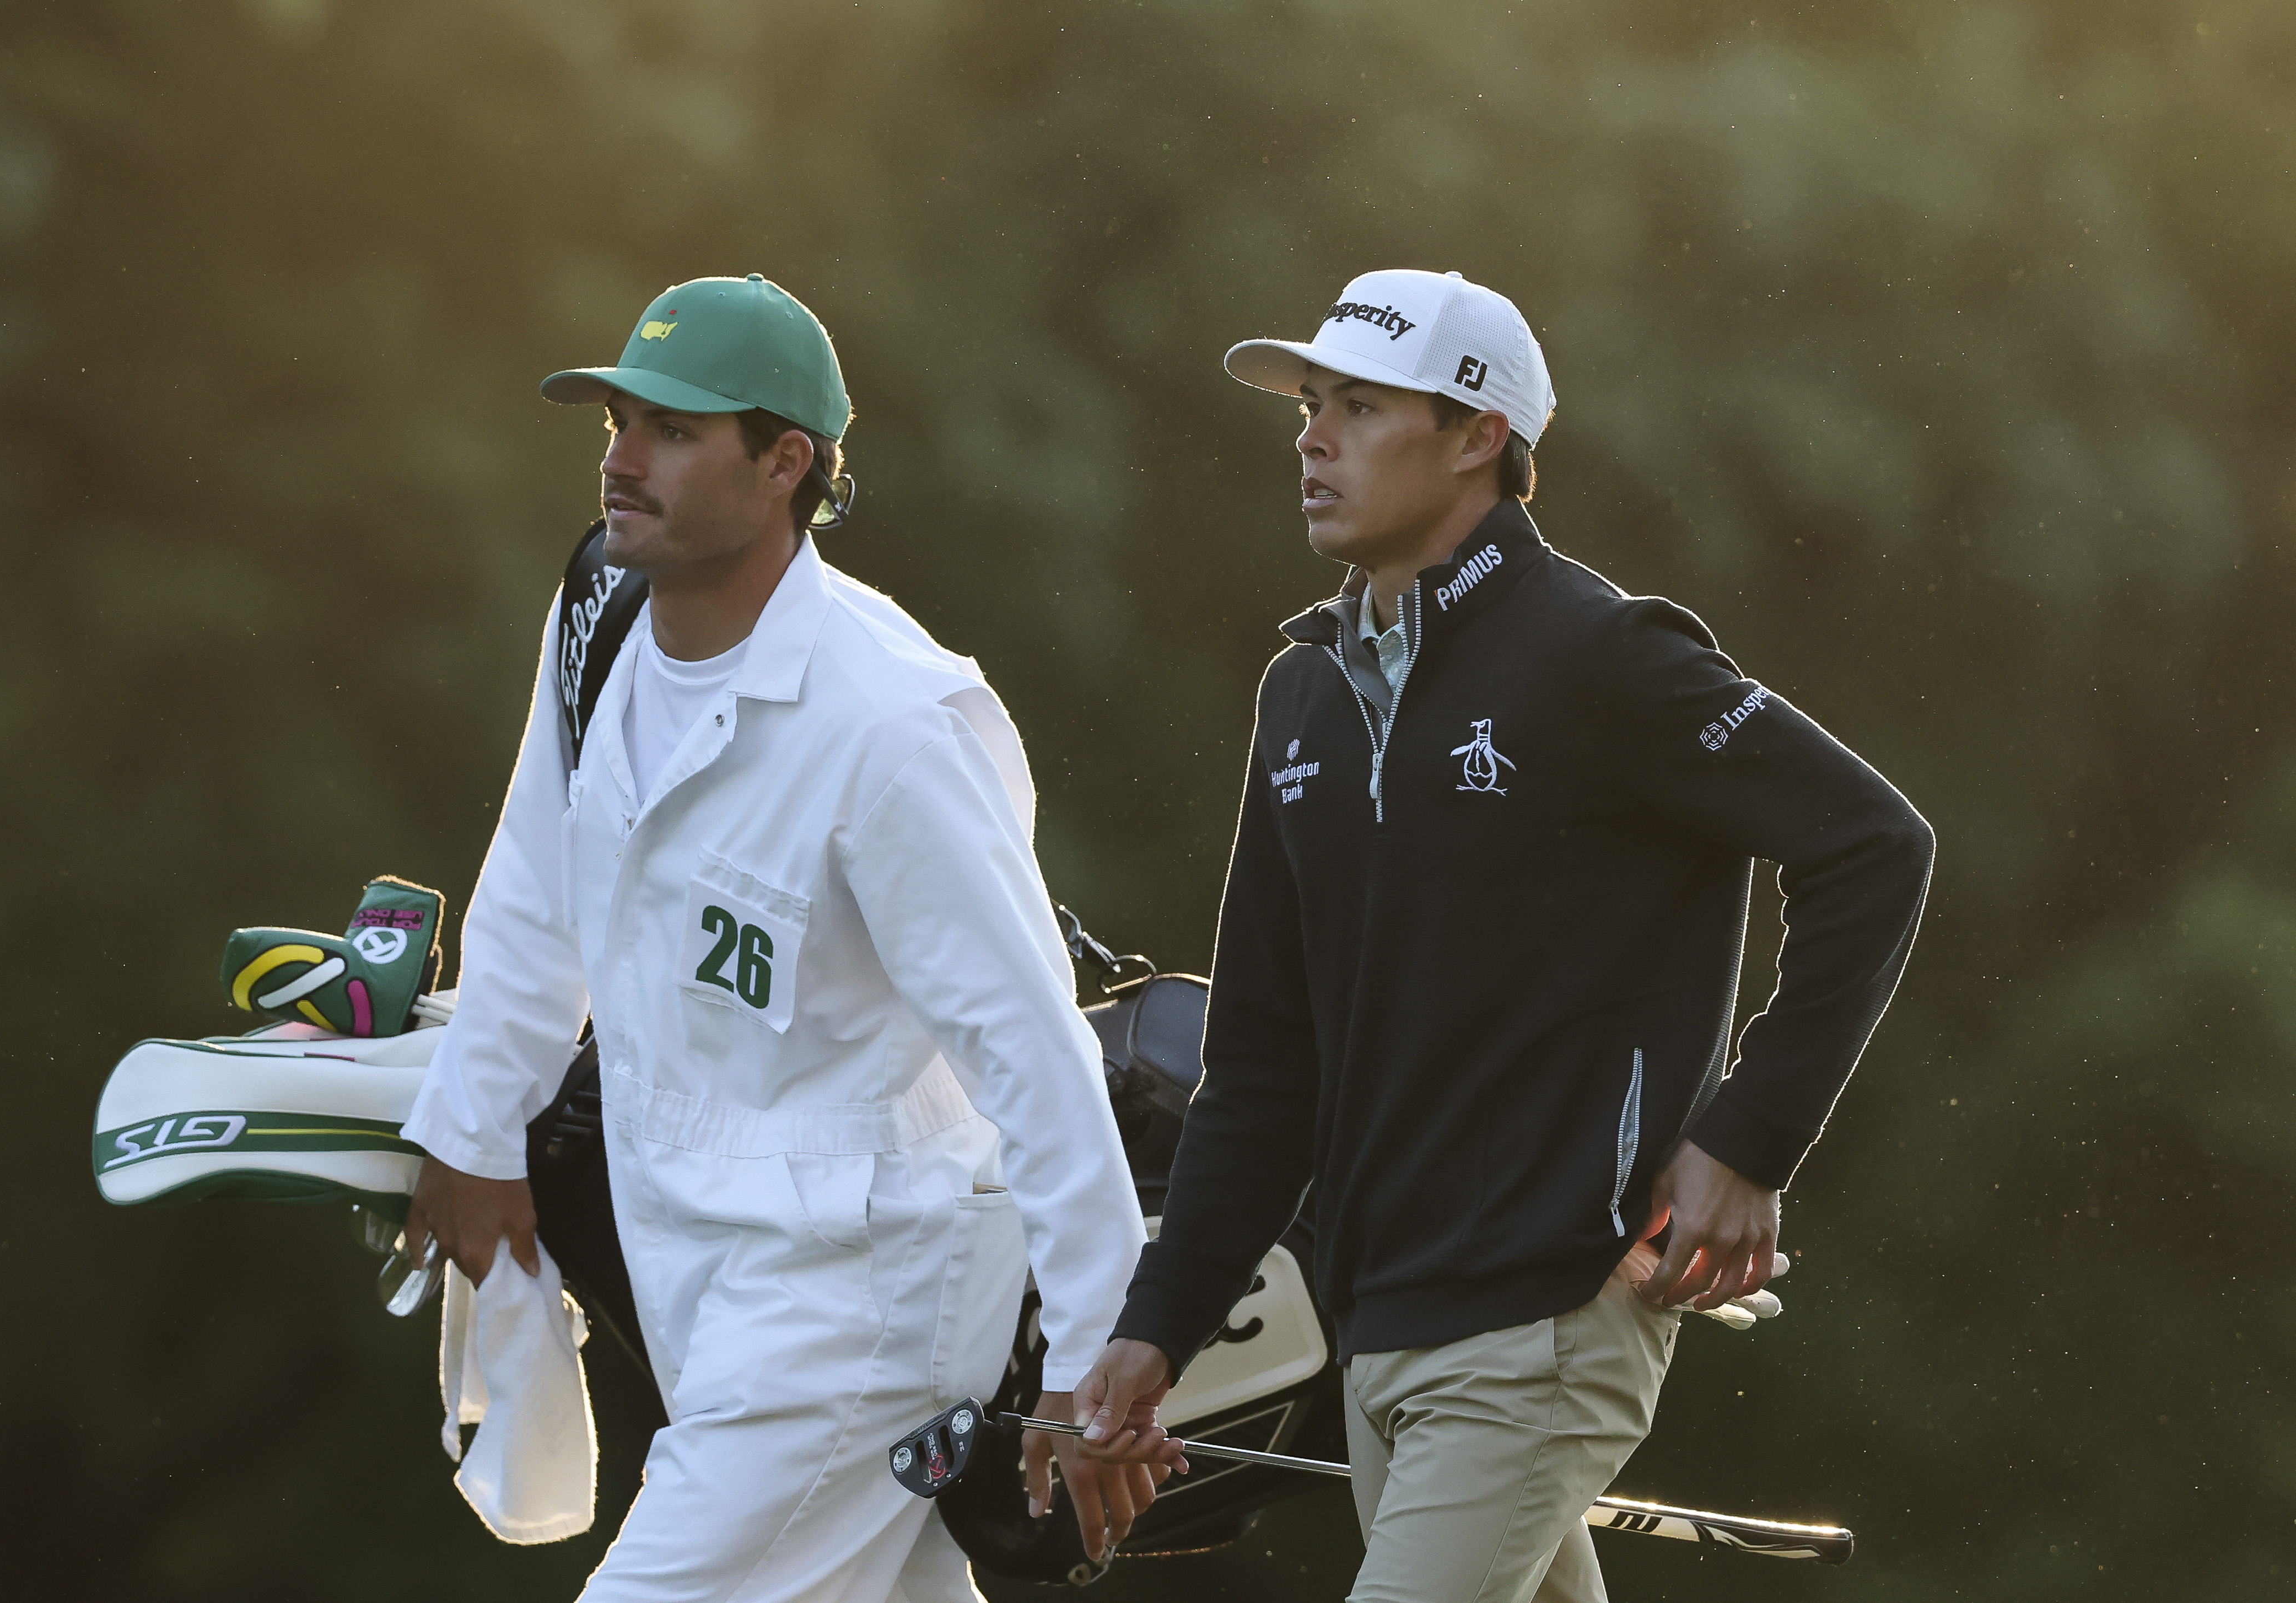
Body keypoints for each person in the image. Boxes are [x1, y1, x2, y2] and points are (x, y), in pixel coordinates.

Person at [1071, 268, 1936, 1602]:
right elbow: (1263, 1066)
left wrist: (1746, 1138)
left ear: (1480, 434)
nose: (1312, 437)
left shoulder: (1598, 652)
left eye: (1357, 406)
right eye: (1311, 405)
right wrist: (1157, 1331)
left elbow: (1874, 843)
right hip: (1381, 1327)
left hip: (1544, 1319)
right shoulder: (1301, 693)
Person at [398, 273, 1156, 1600]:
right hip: (702, 1264)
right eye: (619, 418)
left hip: (866, 1302)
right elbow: (534, 878)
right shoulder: (598, 608)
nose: (624, 457)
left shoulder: (895, 724)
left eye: (676, 431)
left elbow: (1035, 1052)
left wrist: (1098, 1360)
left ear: (785, 464)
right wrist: (472, 1130)